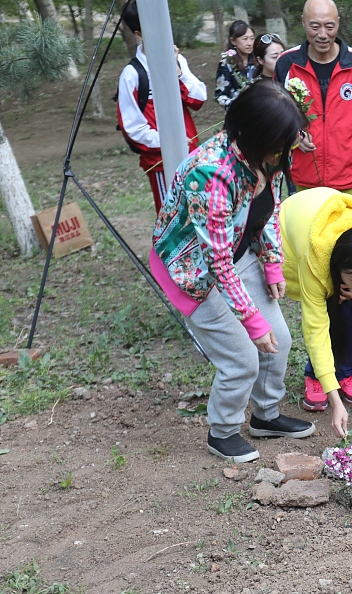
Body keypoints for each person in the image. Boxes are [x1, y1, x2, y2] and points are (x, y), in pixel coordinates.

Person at [150, 81, 311, 462]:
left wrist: (273, 262)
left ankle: (266, 415)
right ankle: (222, 432)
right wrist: (250, 320)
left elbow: (269, 209)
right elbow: (217, 262)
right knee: (242, 359)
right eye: (281, 144)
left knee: (279, 339)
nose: (285, 152)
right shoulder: (211, 174)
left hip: (239, 252)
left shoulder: (266, 155)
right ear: (256, 134)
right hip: (193, 271)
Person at [280, 187, 352, 434]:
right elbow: (315, 331)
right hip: (295, 232)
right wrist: (335, 402)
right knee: (327, 316)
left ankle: (345, 373)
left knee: (349, 313)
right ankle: (316, 377)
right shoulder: (313, 262)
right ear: (336, 268)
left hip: (329, 218)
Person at [274, 0, 352, 194]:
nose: (323, 34)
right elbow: (275, 115)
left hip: (347, 177)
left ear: (338, 23)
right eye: (315, 26)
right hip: (303, 175)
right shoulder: (287, 63)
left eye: (329, 26)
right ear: (303, 22)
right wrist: (294, 136)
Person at [116, 0, 206, 213]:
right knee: (172, 219)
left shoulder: (178, 60)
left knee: (200, 214)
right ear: (138, 34)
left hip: (192, 156)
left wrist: (177, 70)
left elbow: (198, 99)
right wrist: (168, 141)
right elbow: (132, 128)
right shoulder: (132, 75)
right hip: (160, 163)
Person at [215, 21, 257, 109]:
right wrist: (237, 108)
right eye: (245, 39)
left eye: (252, 38)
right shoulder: (226, 64)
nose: (249, 43)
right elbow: (221, 96)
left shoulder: (258, 60)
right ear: (233, 41)